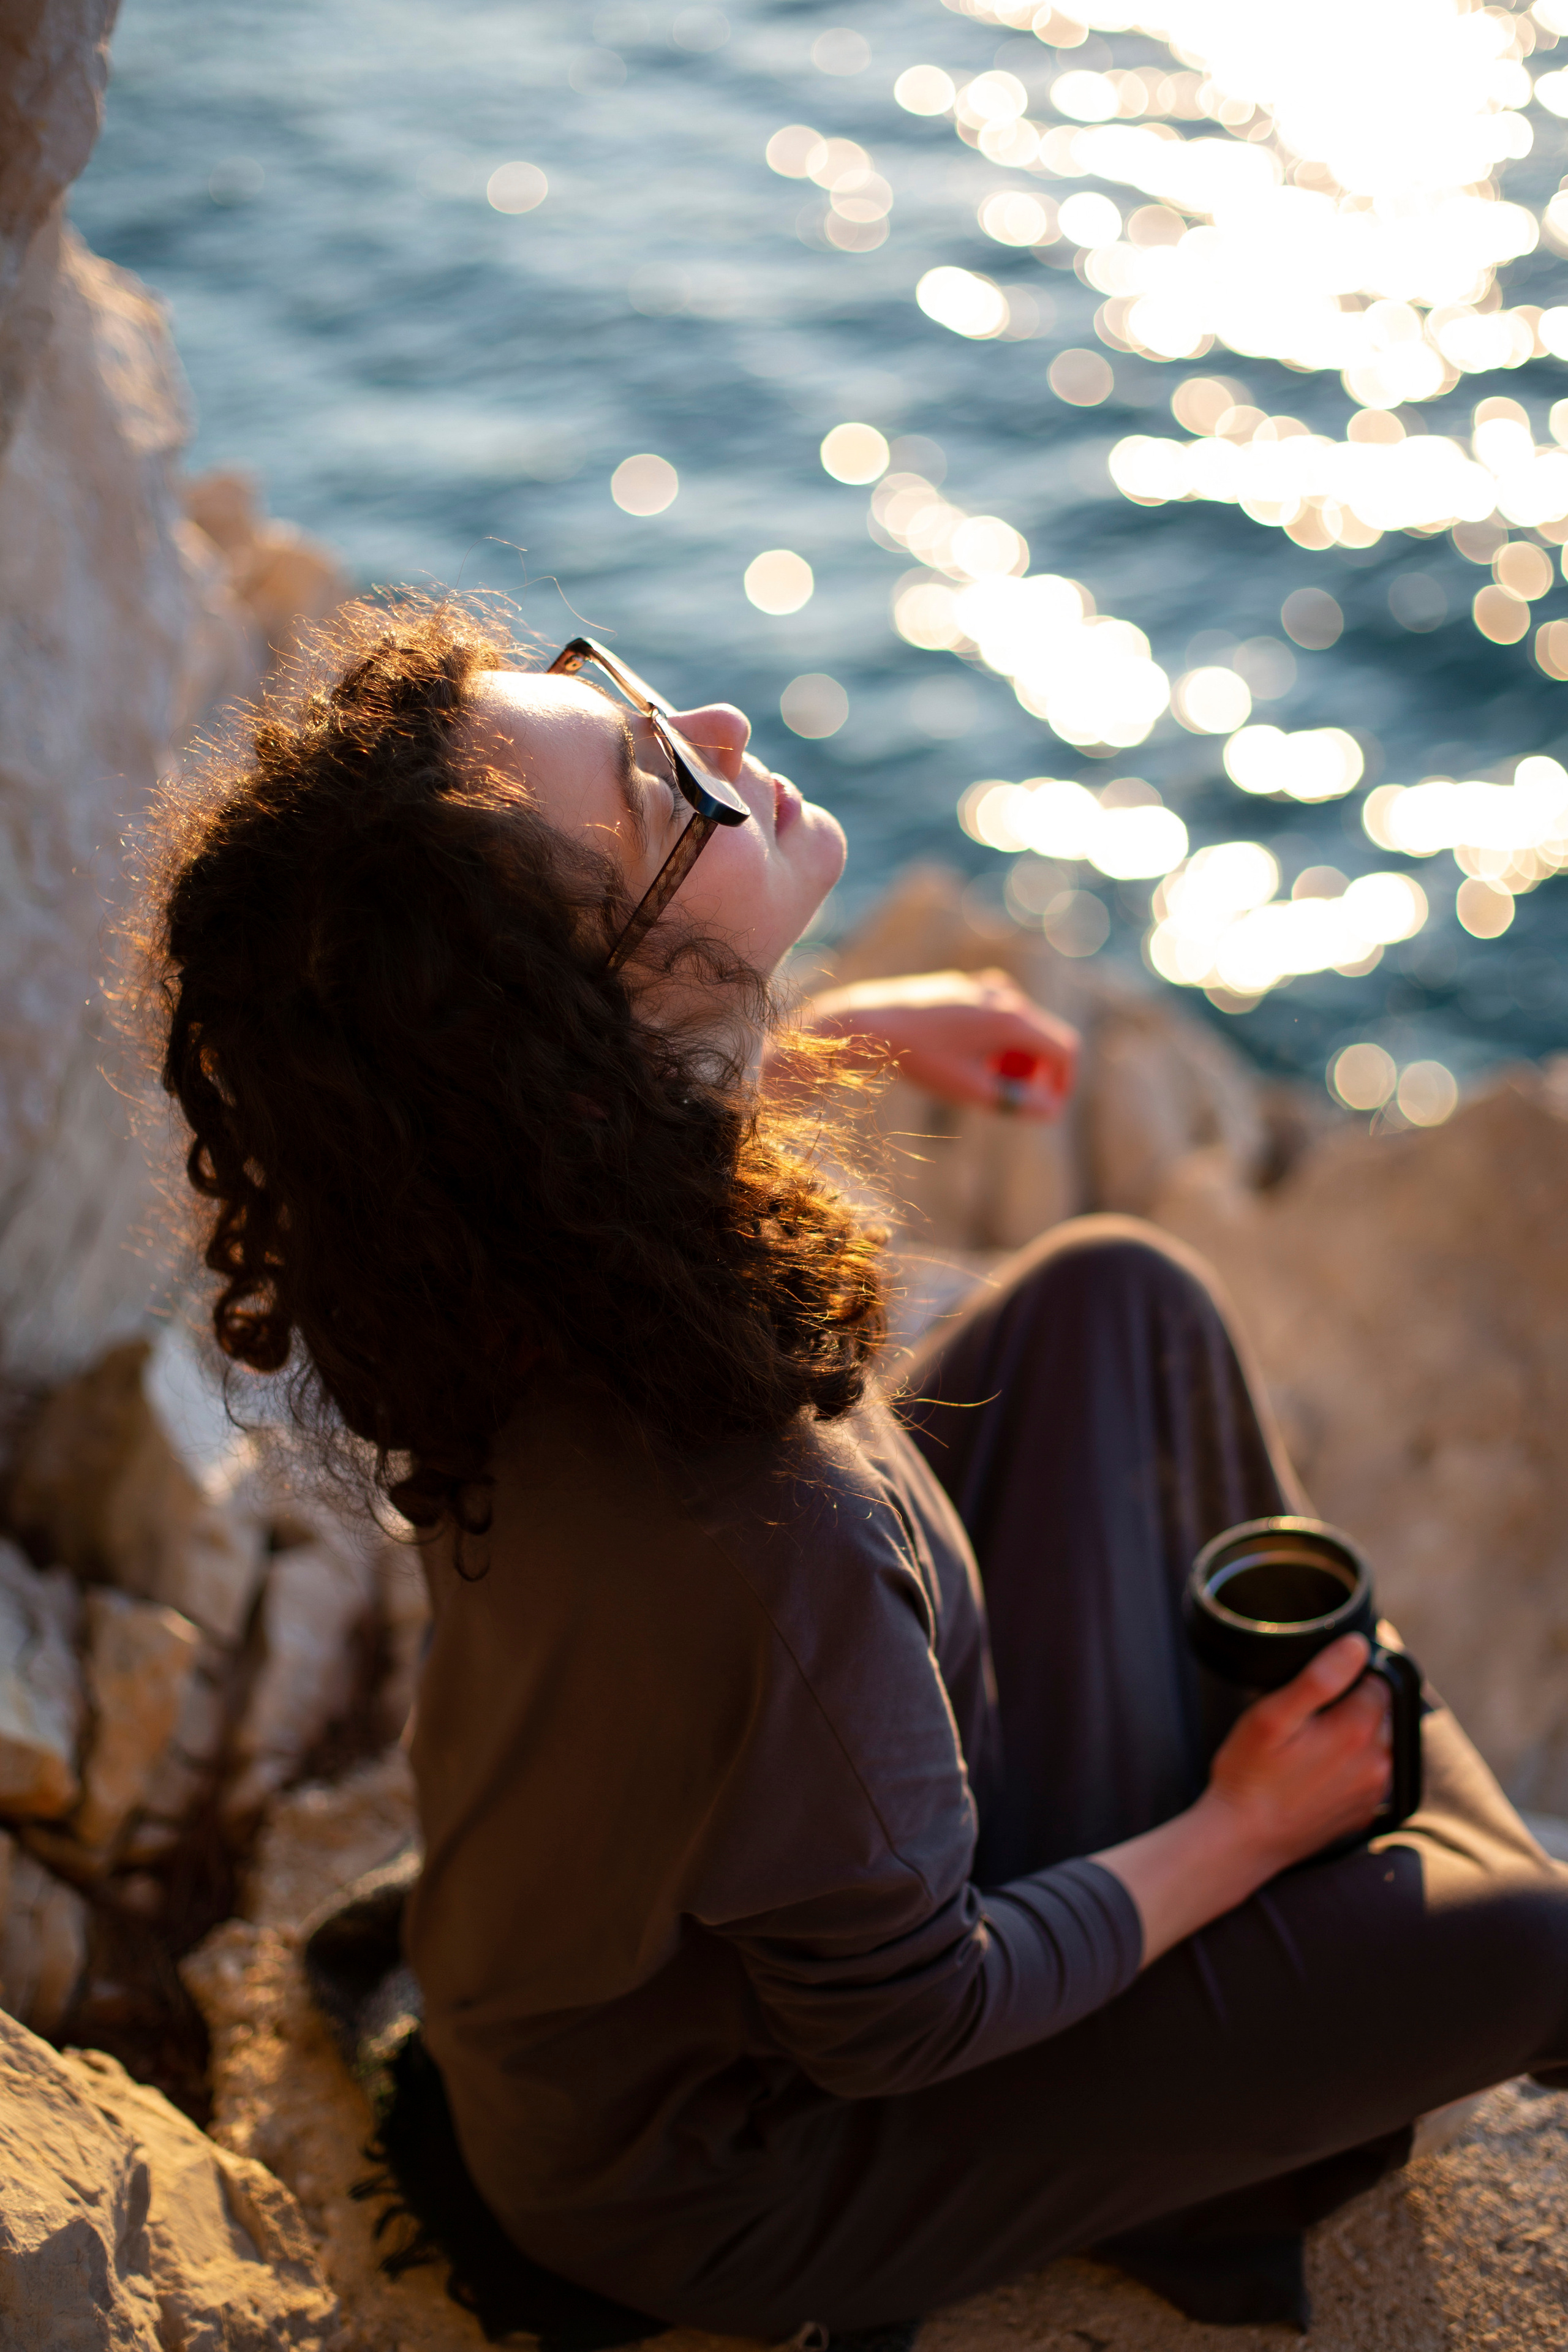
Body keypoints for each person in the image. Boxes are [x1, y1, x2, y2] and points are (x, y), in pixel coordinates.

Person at [145, 598, 1568, 2339]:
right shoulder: (765, 1535)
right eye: (670, 792)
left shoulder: (496, 1264)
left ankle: (1296, 1849)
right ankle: (1322, 1861)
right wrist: (1239, 1830)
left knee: (1121, 1299)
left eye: (630, 703)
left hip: (706, 1906)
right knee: (1525, 1944)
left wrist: (836, 1035)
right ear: (589, 1047)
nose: (721, 728)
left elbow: (584, 1135)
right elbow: (907, 2023)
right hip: (750, 2158)